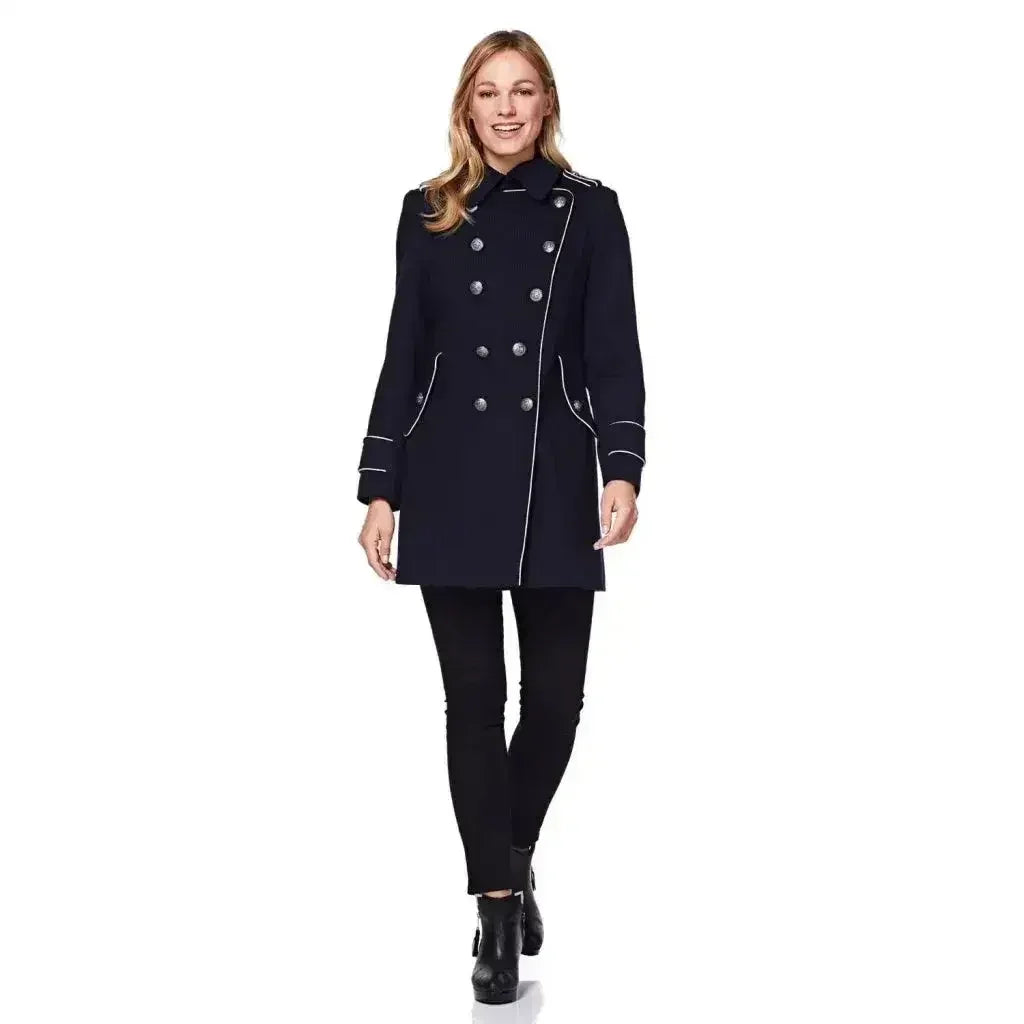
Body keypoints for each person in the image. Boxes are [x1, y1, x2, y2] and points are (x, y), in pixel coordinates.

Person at [355, 29, 646, 1005]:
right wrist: (381, 485)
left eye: (523, 91)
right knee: (474, 705)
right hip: (448, 478)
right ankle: (494, 911)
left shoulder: (590, 211)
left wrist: (622, 465)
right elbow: (405, 354)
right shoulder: (427, 212)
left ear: (547, 103)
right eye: (489, 92)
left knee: (555, 703)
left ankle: (510, 854)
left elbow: (613, 350)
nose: (507, 108)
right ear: (466, 107)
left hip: (554, 477)